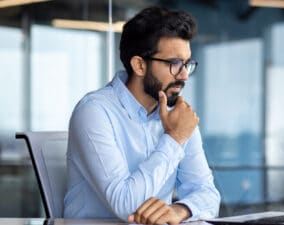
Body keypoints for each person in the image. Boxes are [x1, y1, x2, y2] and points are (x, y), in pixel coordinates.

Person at [63, 6, 221, 225]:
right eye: (175, 64)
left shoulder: (179, 116)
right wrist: (174, 139)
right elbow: (126, 206)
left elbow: (209, 196)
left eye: (186, 64)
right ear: (139, 65)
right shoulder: (94, 112)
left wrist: (179, 210)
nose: (184, 75)